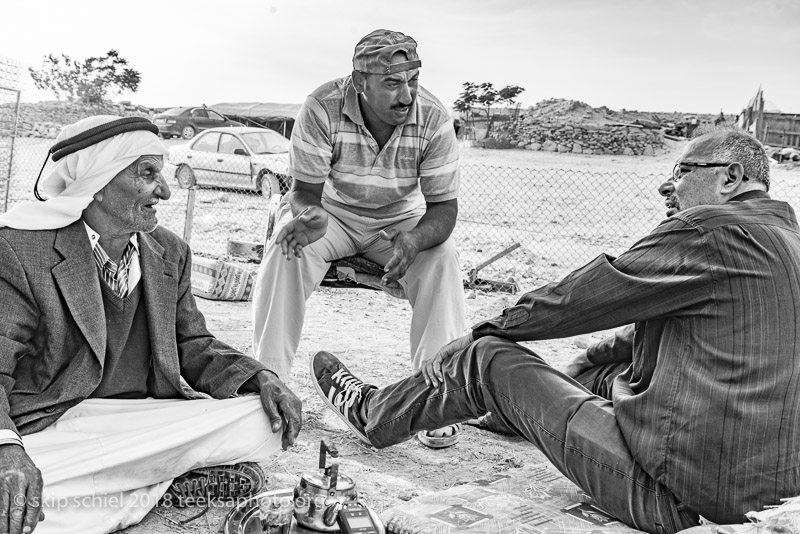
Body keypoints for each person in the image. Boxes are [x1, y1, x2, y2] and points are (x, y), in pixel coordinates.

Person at [309, 127, 800, 533]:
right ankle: (504, 412)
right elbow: (640, 336)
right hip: (768, 492)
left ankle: (373, 413)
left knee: (489, 359)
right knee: (604, 366)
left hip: (680, 497)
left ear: (731, 178)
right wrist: (588, 365)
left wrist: (484, 330)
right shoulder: (786, 243)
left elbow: (581, 297)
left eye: (681, 171)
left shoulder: (710, 231)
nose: (666, 187)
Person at [0, 116, 302, 534]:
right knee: (15, 468)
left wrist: (261, 377)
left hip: (142, 421)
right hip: (56, 424)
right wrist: (7, 450)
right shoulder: (20, 249)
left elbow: (193, 344)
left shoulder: (169, 251)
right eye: (148, 173)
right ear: (98, 182)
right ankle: (157, 483)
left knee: (259, 419)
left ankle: (107, 490)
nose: (165, 189)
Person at [252, 29, 465, 447]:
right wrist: (308, 217)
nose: (406, 95)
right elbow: (304, 191)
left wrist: (414, 241)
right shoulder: (322, 106)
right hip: (330, 215)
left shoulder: (434, 118)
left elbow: (444, 209)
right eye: (392, 83)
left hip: (400, 222)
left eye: (412, 81)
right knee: (287, 247)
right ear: (360, 82)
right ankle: (269, 382)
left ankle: (437, 400)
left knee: (442, 259)